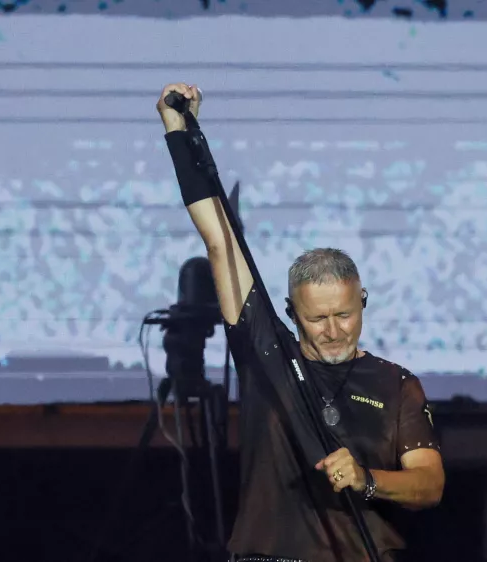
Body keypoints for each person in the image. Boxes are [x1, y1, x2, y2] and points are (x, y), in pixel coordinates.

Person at [157, 82, 445, 562]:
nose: (334, 330)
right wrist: (177, 126)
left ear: (364, 301)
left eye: (345, 315)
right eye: (318, 319)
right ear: (293, 315)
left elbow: (429, 483)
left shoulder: (396, 385)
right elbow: (219, 239)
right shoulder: (266, 353)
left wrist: (366, 480)